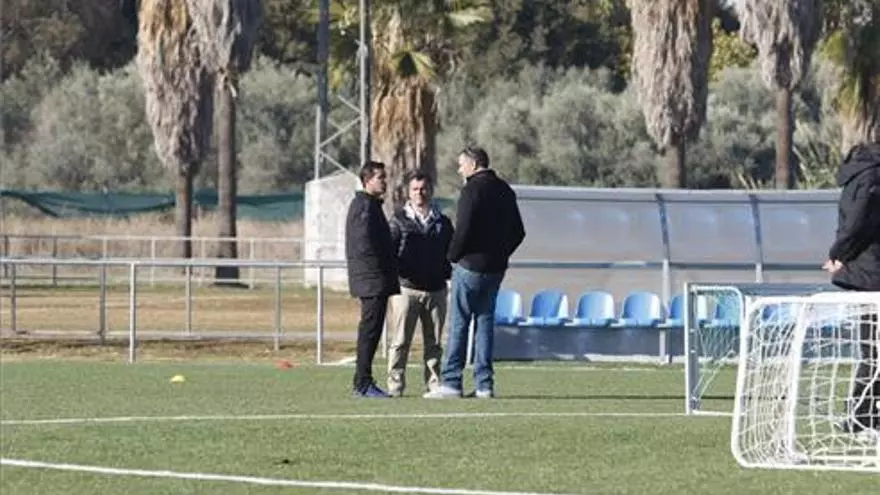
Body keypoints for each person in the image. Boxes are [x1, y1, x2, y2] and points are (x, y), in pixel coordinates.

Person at [424, 145, 525, 399]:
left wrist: (451, 257)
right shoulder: (505, 190)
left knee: (459, 323)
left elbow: (464, 229)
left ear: (473, 164)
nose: (459, 170)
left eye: (461, 164)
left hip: (470, 266)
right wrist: (500, 253)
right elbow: (519, 232)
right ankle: (484, 385)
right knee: (485, 324)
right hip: (495, 269)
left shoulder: (472, 189)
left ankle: (451, 382)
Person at [822, 140, 880, 433]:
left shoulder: (862, 178)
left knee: (872, 350)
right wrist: (839, 255)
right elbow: (857, 224)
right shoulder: (870, 178)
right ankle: (863, 415)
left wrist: (839, 256)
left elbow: (855, 224)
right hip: (872, 273)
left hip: (868, 271)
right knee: (873, 350)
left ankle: (863, 415)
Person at [386, 170, 454, 397]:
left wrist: (447, 275)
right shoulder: (398, 220)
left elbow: (451, 251)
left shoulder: (443, 222)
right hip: (406, 289)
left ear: (431, 190)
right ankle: (395, 385)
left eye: (423, 189)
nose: (419, 193)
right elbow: (389, 253)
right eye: (415, 189)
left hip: (436, 290)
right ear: (408, 191)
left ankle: (434, 384)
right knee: (400, 341)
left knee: (434, 344)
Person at [345, 161, 400, 398]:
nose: (385, 181)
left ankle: (363, 381)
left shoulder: (371, 206)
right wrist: (380, 270)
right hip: (372, 281)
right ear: (367, 181)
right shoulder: (364, 207)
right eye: (380, 177)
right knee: (369, 331)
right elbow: (363, 245)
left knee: (373, 331)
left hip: (375, 280)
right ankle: (362, 383)